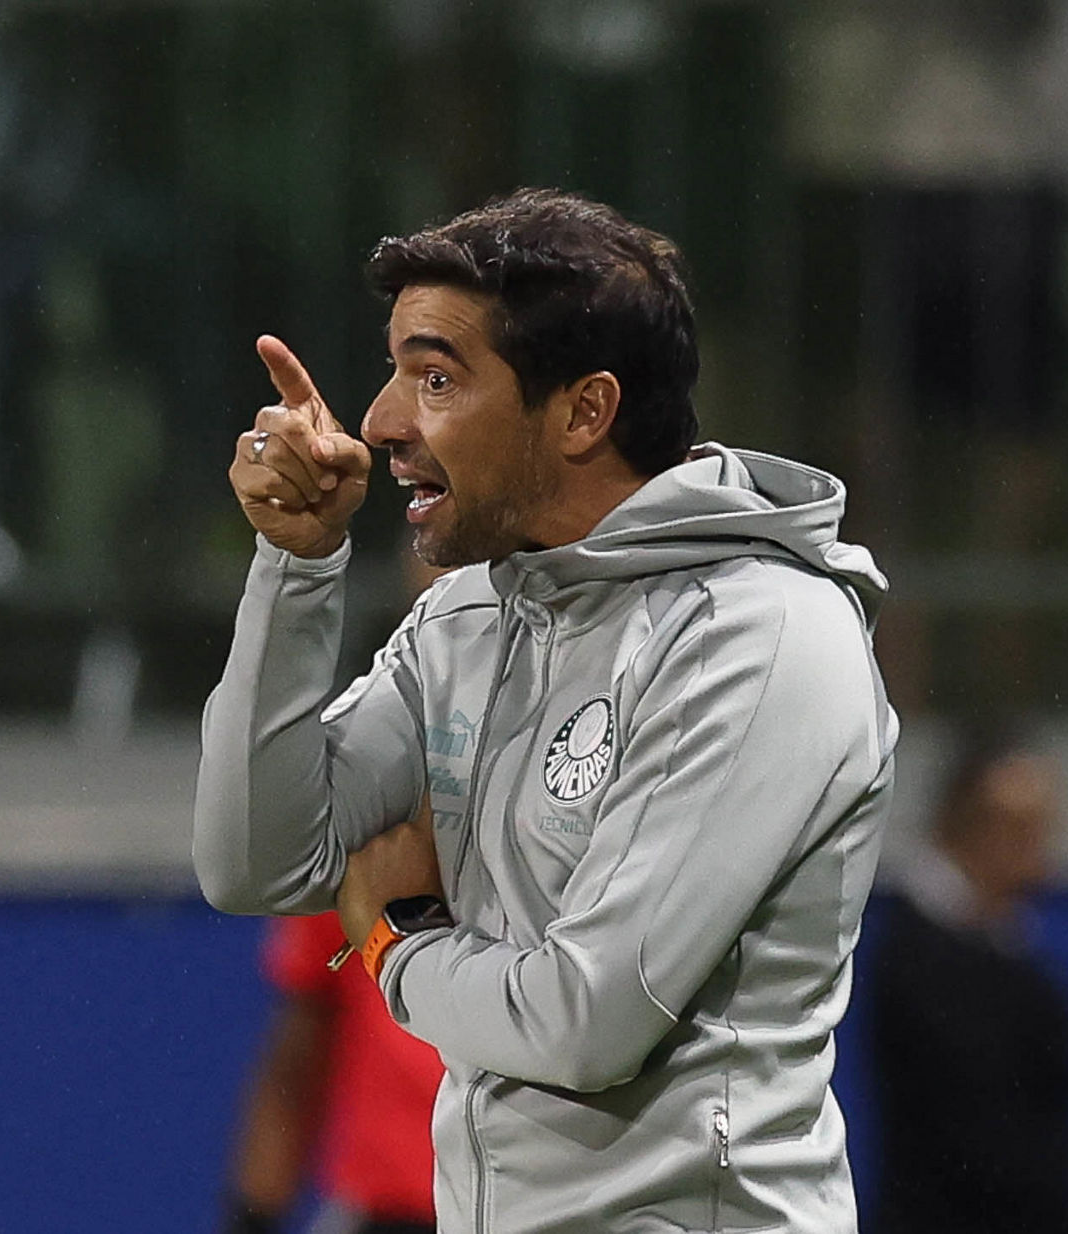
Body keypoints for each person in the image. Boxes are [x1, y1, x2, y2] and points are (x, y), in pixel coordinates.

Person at [194, 187, 898, 1234]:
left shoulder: (761, 636)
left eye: (435, 378)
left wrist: (398, 940)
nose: (380, 423)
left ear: (582, 411)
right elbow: (254, 861)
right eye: (394, 373)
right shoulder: (471, 617)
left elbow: (588, 1020)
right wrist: (296, 568)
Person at [867, 724, 1068, 1234]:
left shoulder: (1003, 952)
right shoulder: (923, 964)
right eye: (1018, 830)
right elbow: (992, 1154)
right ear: (962, 825)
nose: (1038, 856)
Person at [222, 904, 444, 1234]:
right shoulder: (341, 881)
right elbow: (299, 1059)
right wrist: (254, 1215)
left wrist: (254, 1215)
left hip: (407, 1201)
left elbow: (300, 1056)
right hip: (402, 1201)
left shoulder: (347, 874)